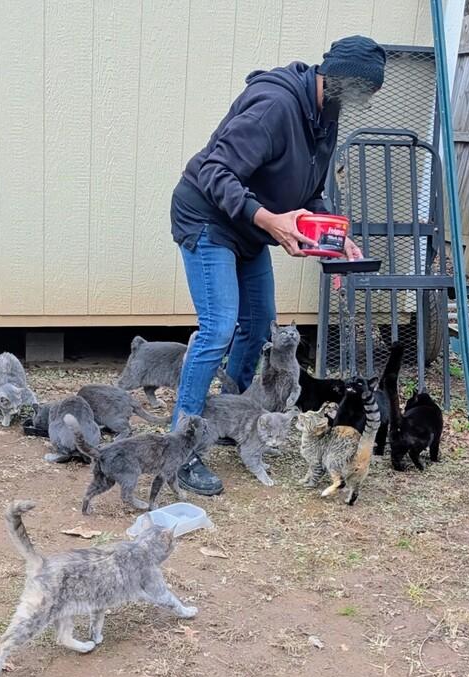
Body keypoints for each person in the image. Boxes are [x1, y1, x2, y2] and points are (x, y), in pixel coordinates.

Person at [170, 36, 387, 496]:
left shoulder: (326, 115)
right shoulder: (275, 106)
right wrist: (269, 219)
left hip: (248, 227)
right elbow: (214, 172)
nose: (364, 103)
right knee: (219, 327)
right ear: (343, 80)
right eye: (363, 92)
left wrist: (333, 237)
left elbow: (310, 192)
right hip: (208, 218)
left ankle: (224, 418)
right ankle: (181, 445)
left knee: (258, 327)